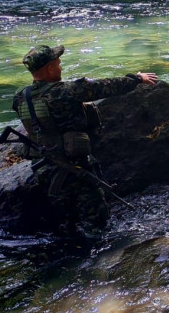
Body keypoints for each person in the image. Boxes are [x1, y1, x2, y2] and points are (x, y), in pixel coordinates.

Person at [11, 44, 157, 234]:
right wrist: (137, 78)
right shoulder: (66, 92)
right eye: (58, 64)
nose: (61, 67)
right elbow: (107, 87)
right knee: (96, 221)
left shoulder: (20, 97)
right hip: (76, 168)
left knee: (65, 222)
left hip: (44, 169)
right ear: (49, 68)